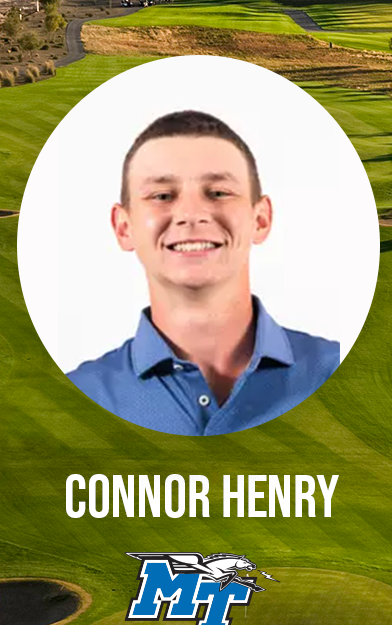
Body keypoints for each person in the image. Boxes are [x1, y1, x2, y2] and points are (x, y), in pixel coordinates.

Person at [68, 110, 339, 435]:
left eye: (219, 192)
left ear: (261, 219)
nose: (191, 214)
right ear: (124, 227)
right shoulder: (77, 395)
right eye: (162, 196)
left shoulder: (341, 370)